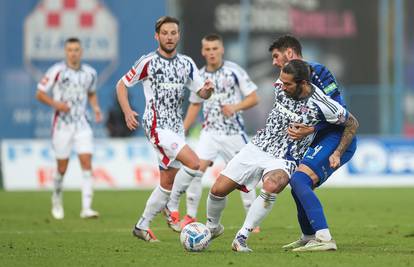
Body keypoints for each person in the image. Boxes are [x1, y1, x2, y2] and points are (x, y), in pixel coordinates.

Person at [206, 59, 359, 252]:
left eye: (288, 84)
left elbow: (352, 123)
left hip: (287, 156)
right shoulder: (281, 85)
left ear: (303, 83)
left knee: (272, 185)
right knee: (218, 190)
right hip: (259, 146)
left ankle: (242, 237)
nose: (281, 86)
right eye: (281, 81)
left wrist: (335, 151)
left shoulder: (323, 103)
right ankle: (212, 228)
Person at [116, 16, 214, 242]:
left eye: (173, 33)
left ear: (178, 35)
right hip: (156, 125)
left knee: (167, 182)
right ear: (156, 36)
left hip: (176, 127)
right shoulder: (148, 62)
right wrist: (127, 111)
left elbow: (201, 93)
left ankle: (142, 225)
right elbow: (122, 84)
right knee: (194, 163)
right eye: (165, 33)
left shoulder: (187, 64)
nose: (169, 37)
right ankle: (171, 207)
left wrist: (208, 90)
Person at [269, 35, 358, 252]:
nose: (273, 62)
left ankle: (324, 238)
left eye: (276, 56)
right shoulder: (285, 84)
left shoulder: (318, 72)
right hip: (316, 139)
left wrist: (315, 130)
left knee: (300, 180)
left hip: (336, 136)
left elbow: (340, 113)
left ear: (289, 53)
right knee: (297, 186)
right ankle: (309, 236)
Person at [164, 33, 259, 231]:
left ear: (222, 49)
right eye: (208, 49)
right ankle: (190, 215)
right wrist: (182, 129)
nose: (212, 52)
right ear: (202, 51)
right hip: (209, 132)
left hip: (234, 132)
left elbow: (253, 98)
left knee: (244, 175)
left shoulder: (234, 71)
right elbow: (195, 105)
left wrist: (235, 107)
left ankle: (252, 219)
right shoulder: (199, 76)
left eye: (215, 48)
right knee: (196, 170)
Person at [36, 37, 102, 220]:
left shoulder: (90, 73)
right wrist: (56, 104)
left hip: (82, 124)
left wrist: (96, 108)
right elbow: (39, 93)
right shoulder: (57, 71)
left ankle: (87, 208)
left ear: (81, 52)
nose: (73, 53)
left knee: (87, 163)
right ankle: (56, 198)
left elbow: (91, 93)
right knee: (62, 168)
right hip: (62, 125)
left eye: (76, 49)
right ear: (66, 52)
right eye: (70, 50)